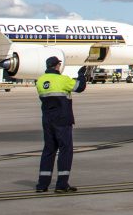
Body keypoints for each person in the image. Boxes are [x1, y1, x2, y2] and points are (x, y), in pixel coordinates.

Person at [36, 56, 88, 193]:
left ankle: (42, 185)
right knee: (65, 150)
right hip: (62, 119)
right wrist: (81, 75)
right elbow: (79, 87)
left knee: (48, 150)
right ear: (57, 66)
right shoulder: (62, 79)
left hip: (47, 120)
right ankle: (61, 184)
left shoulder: (40, 81)